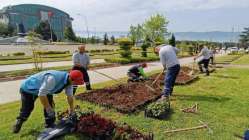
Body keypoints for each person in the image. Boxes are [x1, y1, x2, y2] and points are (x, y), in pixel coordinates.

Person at [12, 70, 84, 133]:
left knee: (51, 105)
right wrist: (48, 108)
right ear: (71, 79)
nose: (76, 85)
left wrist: (71, 110)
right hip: (29, 88)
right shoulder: (52, 79)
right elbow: (42, 94)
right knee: (27, 108)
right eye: (76, 83)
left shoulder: (69, 82)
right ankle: (19, 121)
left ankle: (49, 124)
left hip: (45, 90)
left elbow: (70, 97)